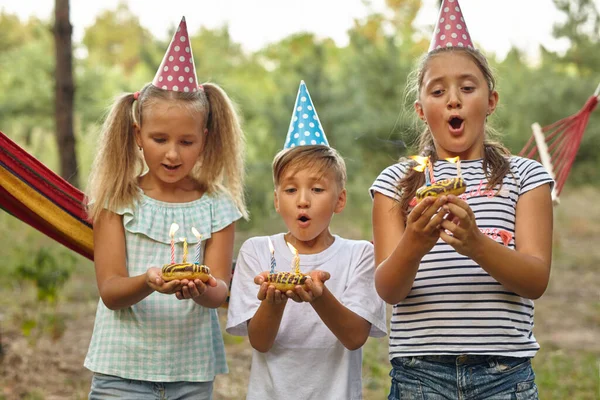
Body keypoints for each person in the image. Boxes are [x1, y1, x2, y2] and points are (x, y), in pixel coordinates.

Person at [370, 1, 553, 399]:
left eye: (467, 88)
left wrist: (475, 245)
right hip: (420, 375)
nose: (453, 99)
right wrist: (414, 246)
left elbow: (536, 280)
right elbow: (388, 289)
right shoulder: (395, 184)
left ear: (491, 101)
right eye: (438, 91)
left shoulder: (526, 176)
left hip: (505, 373)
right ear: (422, 109)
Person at [84, 17, 247, 400]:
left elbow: (220, 291)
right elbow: (110, 290)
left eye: (186, 141)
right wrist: (150, 281)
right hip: (120, 373)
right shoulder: (116, 200)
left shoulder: (218, 207)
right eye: (160, 139)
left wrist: (200, 287)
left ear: (204, 140)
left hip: (190, 374)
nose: (173, 153)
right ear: (138, 134)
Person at [226, 81, 387, 400]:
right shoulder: (257, 252)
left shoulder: (359, 255)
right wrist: (275, 299)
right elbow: (260, 341)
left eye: (316, 189)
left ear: (340, 201)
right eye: (290, 190)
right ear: (276, 200)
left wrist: (319, 296)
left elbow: (355, 337)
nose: (302, 201)